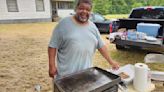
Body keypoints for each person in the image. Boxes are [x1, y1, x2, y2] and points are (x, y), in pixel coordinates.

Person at [48, 0, 119, 79]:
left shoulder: (92, 26)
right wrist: (52, 66)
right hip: (66, 76)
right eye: (81, 8)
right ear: (76, 9)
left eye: (88, 10)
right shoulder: (63, 24)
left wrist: (111, 62)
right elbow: (52, 46)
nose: (84, 12)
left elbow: (101, 46)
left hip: (86, 74)